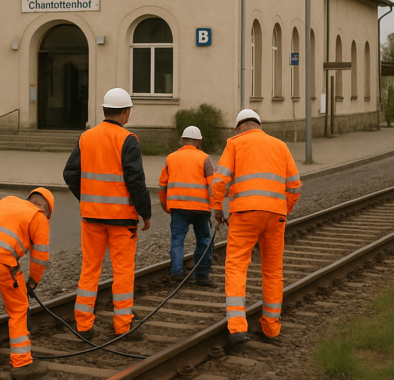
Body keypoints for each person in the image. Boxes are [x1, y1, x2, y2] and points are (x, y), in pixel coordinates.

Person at [63, 88, 151, 340]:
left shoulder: (86, 137)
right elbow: (135, 179)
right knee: (122, 271)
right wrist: (145, 212)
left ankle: (83, 325)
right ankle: (123, 325)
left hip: (92, 218)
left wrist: (89, 197)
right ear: (125, 112)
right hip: (122, 220)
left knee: (90, 269)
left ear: (104, 110)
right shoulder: (128, 139)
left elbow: (69, 174)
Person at [210, 109, 301, 348]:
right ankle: (271, 328)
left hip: (245, 214)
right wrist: (283, 210)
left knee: (237, 266)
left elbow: (219, 181)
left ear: (239, 127)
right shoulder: (280, 145)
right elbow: (295, 186)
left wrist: (217, 209)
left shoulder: (235, 144)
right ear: (258, 125)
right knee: (273, 271)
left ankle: (238, 327)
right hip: (275, 215)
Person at [0, 187, 53, 380]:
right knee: (19, 310)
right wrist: (33, 281)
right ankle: (22, 363)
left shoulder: (8, 200)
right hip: (1, 263)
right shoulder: (39, 217)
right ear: (45, 209)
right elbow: (40, 257)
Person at [159, 126, 216, 287]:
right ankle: (202, 275)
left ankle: (177, 273)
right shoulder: (205, 159)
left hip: (177, 207)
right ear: (199, 142)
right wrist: (215, 206)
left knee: (177, 240)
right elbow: (213, 185)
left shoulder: (171, 158)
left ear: (182, 140)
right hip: (201, 209)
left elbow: (162, 184)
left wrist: (165, 204)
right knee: (204, 240)